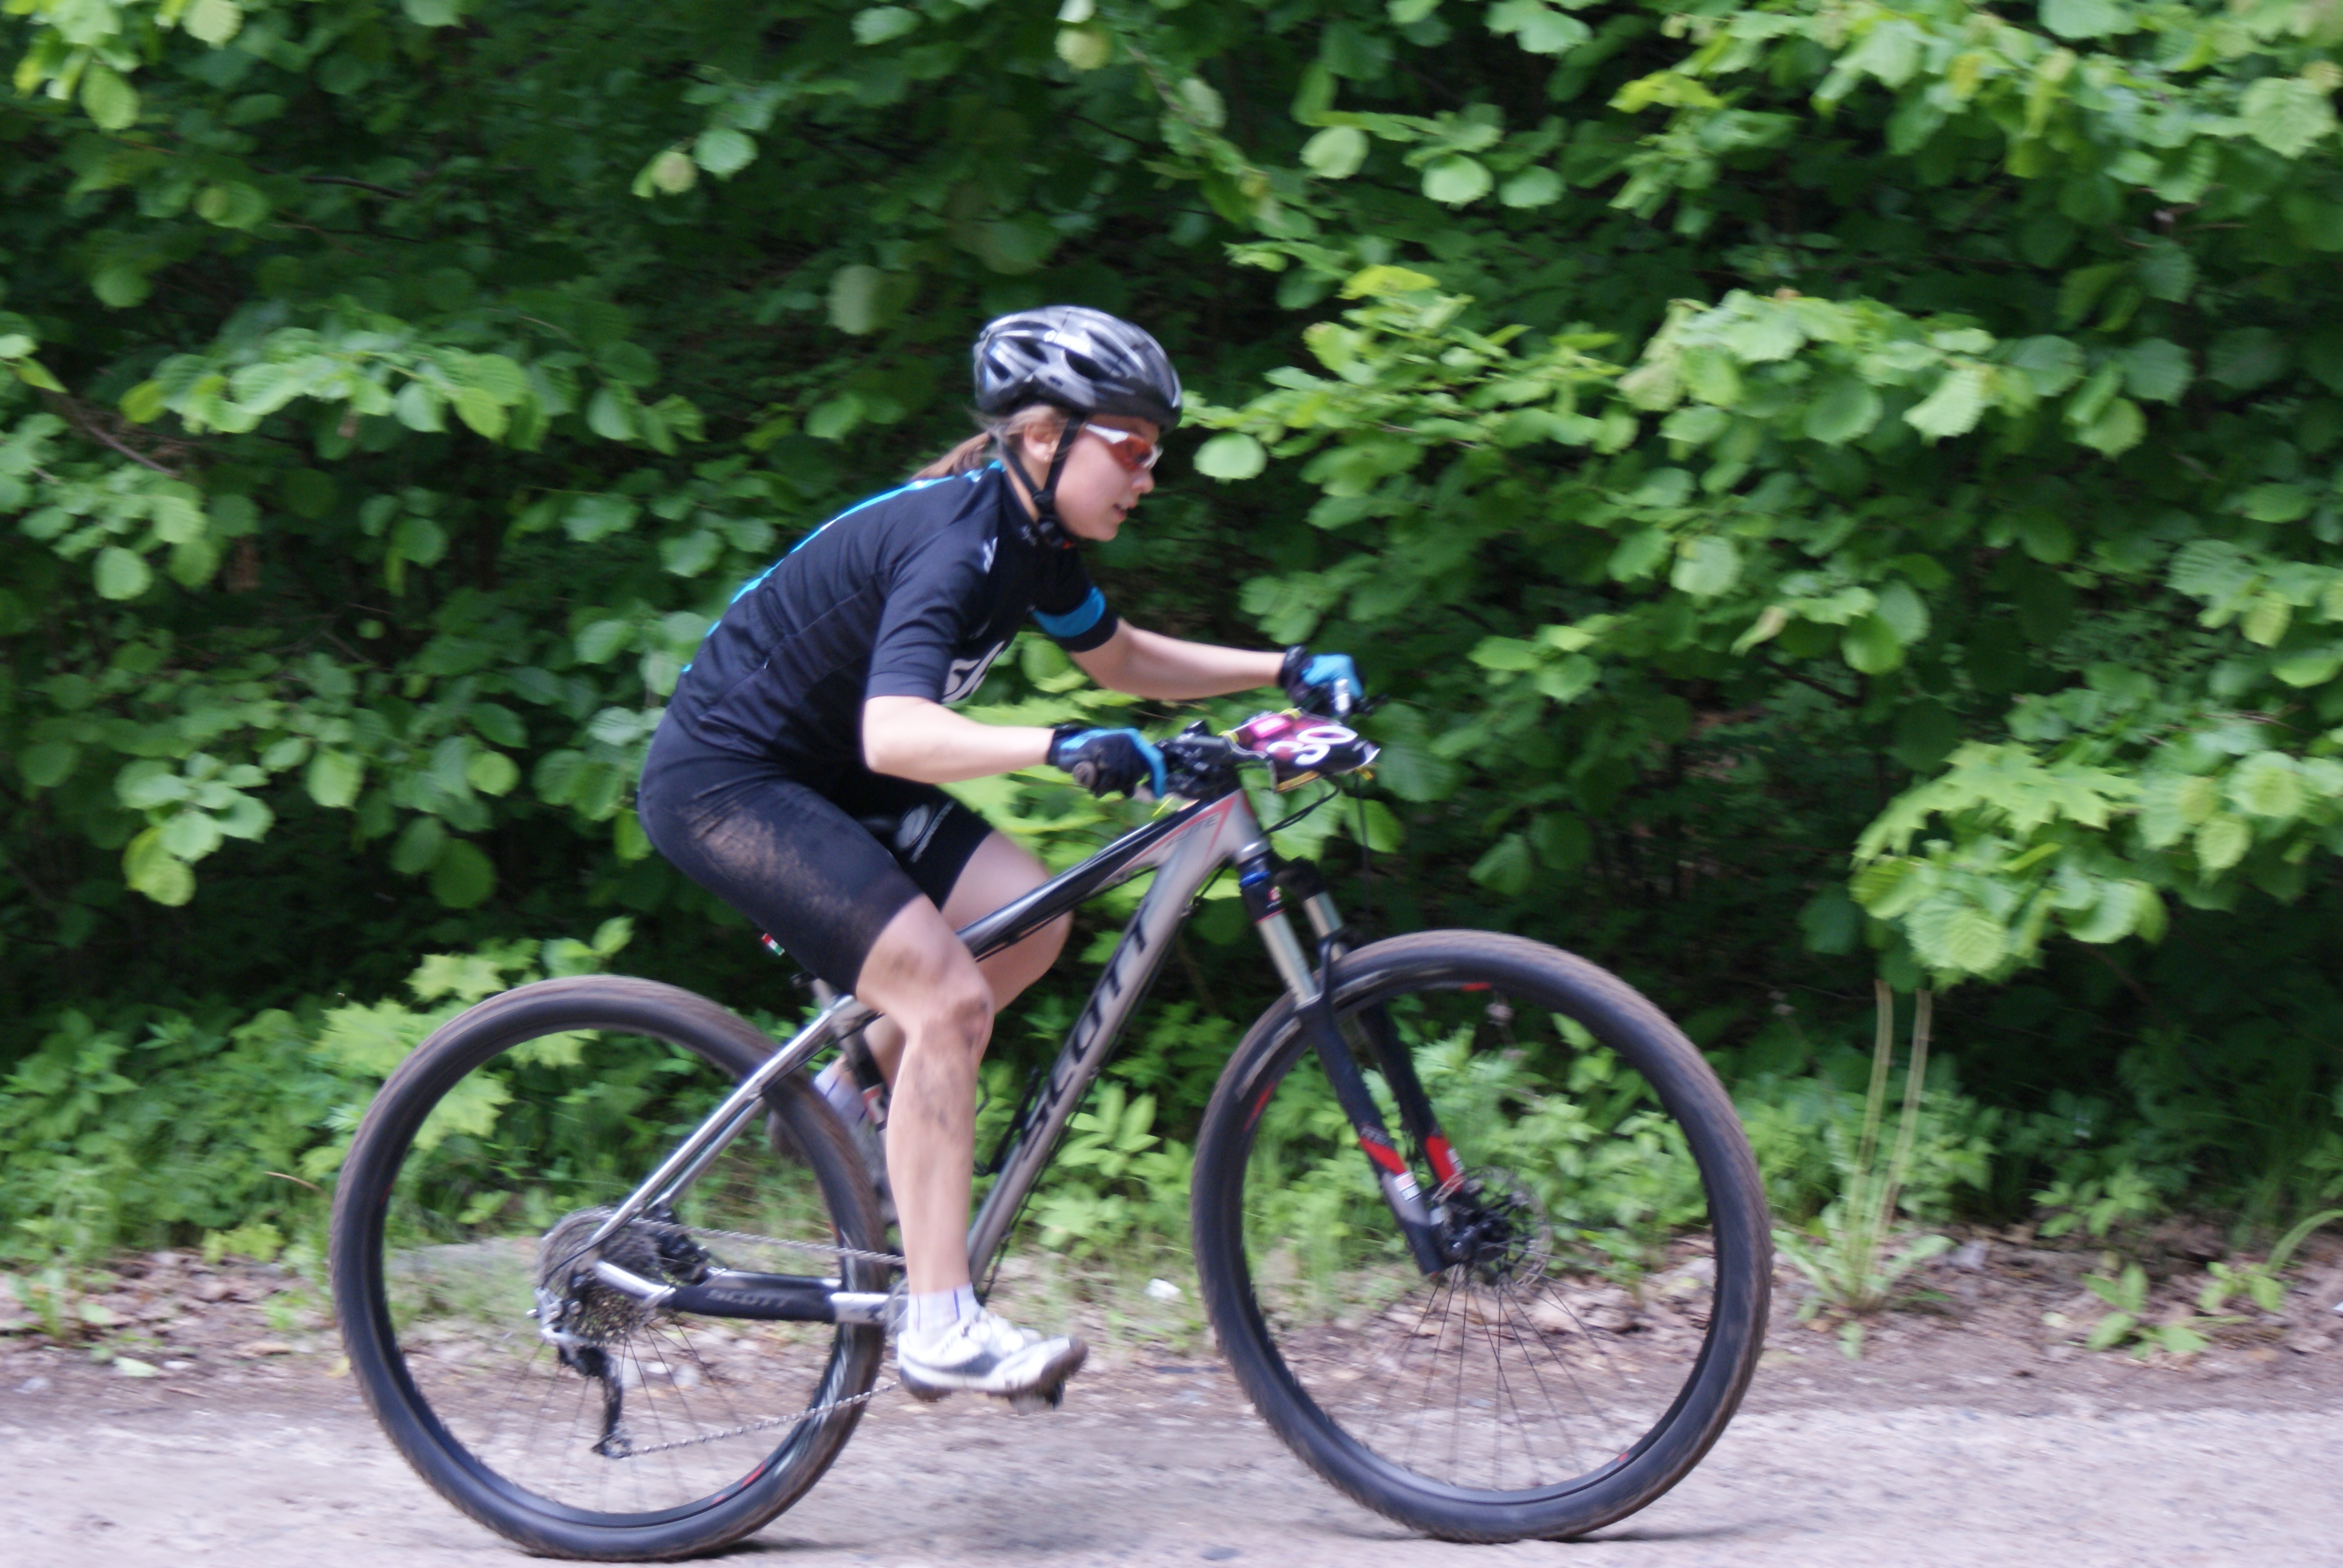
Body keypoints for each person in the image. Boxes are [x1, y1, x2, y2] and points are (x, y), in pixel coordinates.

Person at [635, 305, 1362, 1403]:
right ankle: (938, 1324)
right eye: (1131, 448)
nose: (1148, 476)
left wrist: (1282, 669)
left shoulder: (1031, 542)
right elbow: (898, 734)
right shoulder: (957, 543)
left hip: (828, 774)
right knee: (947, 999)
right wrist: (1058, 745)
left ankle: (846, 1099)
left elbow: (1118, 657)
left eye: (1155, 453)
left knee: (1029, 912)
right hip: (728, 785)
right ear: (1042, 436)